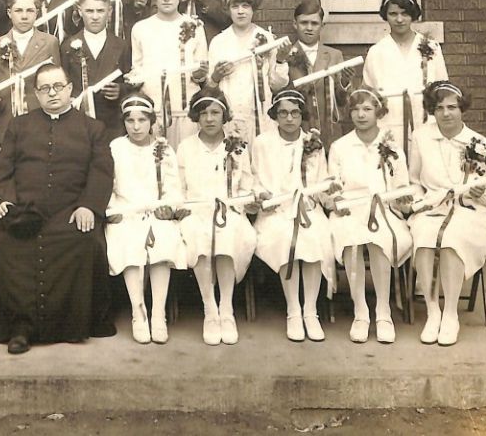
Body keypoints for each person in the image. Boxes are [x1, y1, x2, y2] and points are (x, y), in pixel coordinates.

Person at [0, 63, 115, 354]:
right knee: (4, 245)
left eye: (58, 86)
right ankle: (19, 326)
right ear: (36, 94)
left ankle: (70, 325)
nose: (52, 93)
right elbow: (2, 170)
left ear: (70, 89)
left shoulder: (92, 128)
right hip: (25, 211)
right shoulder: (19, 125)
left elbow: (101, 172)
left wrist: (88, 207)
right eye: (44, 88)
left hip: (70, 211)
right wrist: (4, 200)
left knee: (83, 241)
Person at [408, 81, 486, 346]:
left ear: (463, 109)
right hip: (433, 207)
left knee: (453, 239)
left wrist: (478, 193)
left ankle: (450, 314)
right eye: (439, 108)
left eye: (452, 107)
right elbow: (414, 181)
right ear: (431, 110)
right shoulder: (421, 137)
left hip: (470, 211)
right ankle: (432, 311)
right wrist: (418, 202)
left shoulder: (479, 143)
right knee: (425, 237)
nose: (446, 113)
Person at [328, 86, 413, 344]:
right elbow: (332, 186)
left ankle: (383, 311)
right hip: (350, 211)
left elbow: (402, 187)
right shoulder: (340, 146)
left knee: (380, 240)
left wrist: (402, 201)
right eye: (355, 109)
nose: (361, 115)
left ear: (379, 112)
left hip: (383, 210)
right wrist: (337, 202)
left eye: (367, 109)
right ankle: (361, 311)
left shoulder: (391, 146)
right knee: (352, 238)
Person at [251, 89, 335, 342]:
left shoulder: (313, 142)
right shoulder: (262, 143)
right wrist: (262, 194)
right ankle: (293, 310)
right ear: (275, 115)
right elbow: (255, 177)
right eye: (283, 113)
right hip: (275, 211)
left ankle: (310, 310)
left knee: (314, 237)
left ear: (302, 115)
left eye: (295, 113)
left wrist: (327, 195)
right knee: (285, 238)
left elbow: (322, 180)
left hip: (307, 208)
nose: (289, 118)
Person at [175, 87, 257, 346]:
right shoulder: (186, 147)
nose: (209, 119)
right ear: (195, 117)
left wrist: (247, 203)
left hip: (229, 211)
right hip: (195, 212)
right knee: (199, 235)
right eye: (203, 113)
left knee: (227, 233)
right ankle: (209, 309)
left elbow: (246, 186)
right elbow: (178, 188)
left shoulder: (237, 146)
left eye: (215, 112)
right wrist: (180, 208)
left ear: (225, 116)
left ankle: (226, 308)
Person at [106, 92, 185, 344]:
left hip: (156, 212)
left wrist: (168, 208)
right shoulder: (116, 148)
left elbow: (174, 187)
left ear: (152, 121)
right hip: (126, 212)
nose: (136, 126)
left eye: (142, 120)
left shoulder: (163, 149)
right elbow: (109, 184)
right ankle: (138, 312)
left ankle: (158, 313)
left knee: (162, 240)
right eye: (130, 121)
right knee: (129, 242)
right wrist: (112, 211)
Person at [130, 0, 209, 149]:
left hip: (185, 109)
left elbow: (202, 71)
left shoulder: (194, 26)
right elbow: (138, 68)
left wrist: (199, 74)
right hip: (154, 108)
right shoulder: (141, 28)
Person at [363, 0, 448, 154]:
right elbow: (369, 95)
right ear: (385, 16)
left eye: (405, 13)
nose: (399, 19)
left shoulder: (431, 47)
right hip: (389, 123)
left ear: (413, 15)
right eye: (393, 14)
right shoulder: (377, 51)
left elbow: (442, 90)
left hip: (424, 122)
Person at [208, 0, 288, 144]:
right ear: (228, 9)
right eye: (235, 6)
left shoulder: (265, 38)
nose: (240, 11)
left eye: (245, 6)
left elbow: (277, 85)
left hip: (259, 114)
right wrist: (216, 76)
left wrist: (280, 60)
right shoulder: (219, 41)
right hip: (230, 114)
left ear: (253, 9)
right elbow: (210, 86)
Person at [0, 0, 60, 142]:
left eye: (30, 10)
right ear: (9, 12)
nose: (24, 16)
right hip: (6, 119)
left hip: (40, 119)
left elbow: (56, 82)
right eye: (18, 10)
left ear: (37, 13)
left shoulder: (49, 42)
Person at [60, 0, 132, 143]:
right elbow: (63, 83)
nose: (95, 17)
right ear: (79, 11)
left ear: (110, 12)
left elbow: (131, 82)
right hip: (79, 121)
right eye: (89, 11)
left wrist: (120, 90)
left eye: (100, 11)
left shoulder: (121, 45)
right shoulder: (68, 46)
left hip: (112, 122)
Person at [283, 1, 353, 151]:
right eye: (304, 23)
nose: (309, 28)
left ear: (322, 26)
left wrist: (344, 83)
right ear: (295, 24)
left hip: (329, 132)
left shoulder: (334, 55)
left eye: (314, 23)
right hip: (298, 130)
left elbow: (342, 103)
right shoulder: (285, 56)